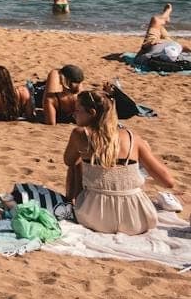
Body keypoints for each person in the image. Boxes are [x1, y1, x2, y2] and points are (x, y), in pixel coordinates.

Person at [65, 87, 176, 234]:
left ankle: (69, 203)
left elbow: (68, 161)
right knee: (137, 163)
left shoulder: (79, 134)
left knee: (76, 163)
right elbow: (168, 182)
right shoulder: (132, 138)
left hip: (93, 218)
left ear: (91, 113)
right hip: (137, 220)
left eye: (77, 110)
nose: (73, 114)